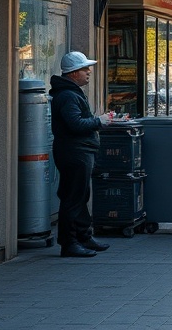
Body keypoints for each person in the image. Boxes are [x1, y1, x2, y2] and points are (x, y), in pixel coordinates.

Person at [50, 51, 112, 258]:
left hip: (77, 150)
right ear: (74, 72)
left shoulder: (70, 93)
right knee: (74, 197)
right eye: (85, 69)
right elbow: (75, 124)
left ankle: (83, 237)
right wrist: (99, 121)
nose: (89, 72)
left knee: (80, 195)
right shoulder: (68, 95)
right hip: (75, 152)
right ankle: (69, 243)